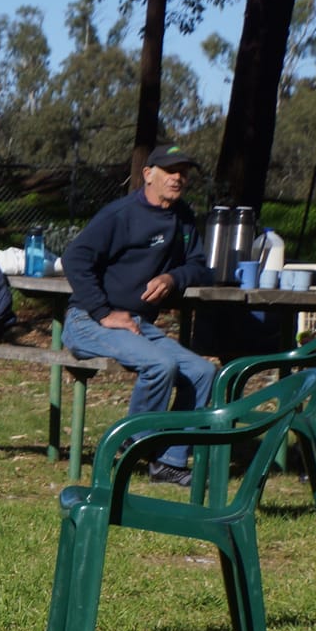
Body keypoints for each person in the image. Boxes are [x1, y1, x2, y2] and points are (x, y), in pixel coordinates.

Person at [60, 144, 217, 487]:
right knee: (161, 365)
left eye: (183, 172)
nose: (178, 178)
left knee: (202, 371)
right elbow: (75, 258)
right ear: (148, 174)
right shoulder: (120, 214)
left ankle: (170, 463)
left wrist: (173, 278)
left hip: (138, 324)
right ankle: (129, 445)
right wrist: (103, 312)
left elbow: (199, 267)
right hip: (87, 321)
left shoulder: (183, 216)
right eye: (170, 170)